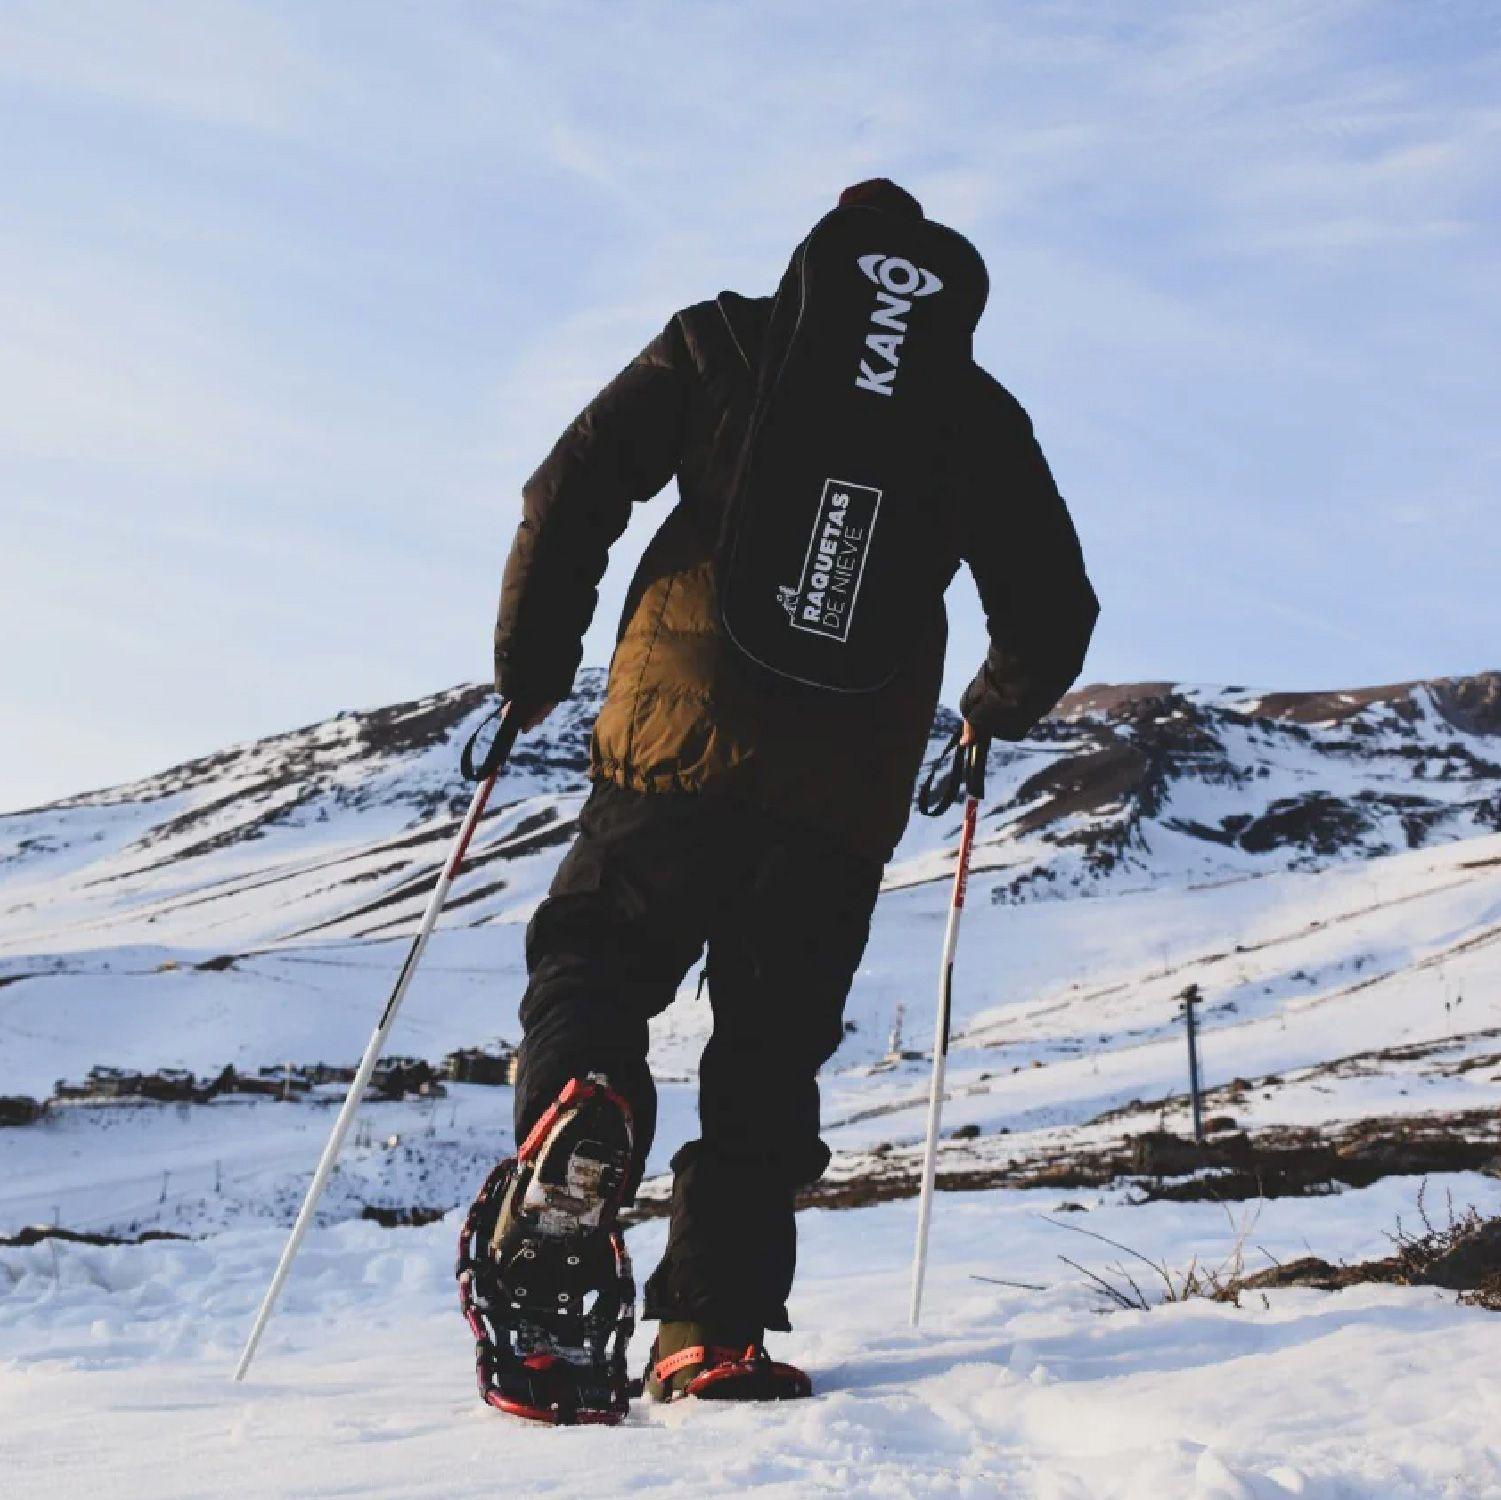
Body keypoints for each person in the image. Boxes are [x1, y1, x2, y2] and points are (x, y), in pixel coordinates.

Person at [470, 178, 1098, 1415]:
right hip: (839, 797)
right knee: (767, 1056)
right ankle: (709, 1331)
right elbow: (1052, 605)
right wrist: (990, 709)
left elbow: (571, 487)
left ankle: (583, 1107)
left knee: (597, 956)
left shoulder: (722, 340)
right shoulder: (973, 413)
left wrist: (532, 667)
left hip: (675, 738)